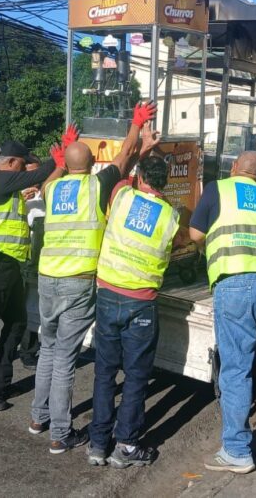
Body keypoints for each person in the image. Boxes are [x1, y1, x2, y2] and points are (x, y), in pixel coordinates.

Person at [30, 101, 157, 454]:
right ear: (91, 165)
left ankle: (38, 417)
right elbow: (126, 153)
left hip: (47, 278)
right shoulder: (96, 186)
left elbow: (46, 183)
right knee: (65, 359)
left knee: (49, 350)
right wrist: (135, 124)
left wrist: (58, 161)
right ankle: (60, 433)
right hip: (77, 280)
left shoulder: (53, 189)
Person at [189, 151, 256, 474]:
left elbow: (196, 234)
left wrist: (204, 249)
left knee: (236, 368)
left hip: (236, 282)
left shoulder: (217, 188)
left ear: (234, 167)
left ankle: (237, 450)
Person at [0, 134, 73, 412]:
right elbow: (38, 176)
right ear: (10, 162)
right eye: (22, 165)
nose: (24, 170)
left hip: (8, 267)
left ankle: (0, 385)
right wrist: (56, 160)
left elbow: (39, 181)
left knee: (17, 324)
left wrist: (58, 164)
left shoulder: (6, 186)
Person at [87, 154, 178, 469]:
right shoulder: (171, 216)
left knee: (104, 373)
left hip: (108, 294)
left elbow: (119, 171)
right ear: (165, 183)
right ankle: (125, 446)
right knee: (137, 377)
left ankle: (97, 444)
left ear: (141, 178)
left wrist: (142, 147)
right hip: (141, 301)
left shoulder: (123, 195)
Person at [19, 157, 47, 370]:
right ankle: (16, 348)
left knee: (36, 306)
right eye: (29, 175)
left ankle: (30, 349)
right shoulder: (17, 198)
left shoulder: (47, 195)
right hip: (22, 260)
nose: (34, 180)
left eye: (37, 174)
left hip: (43, 261)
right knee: (18, 308)